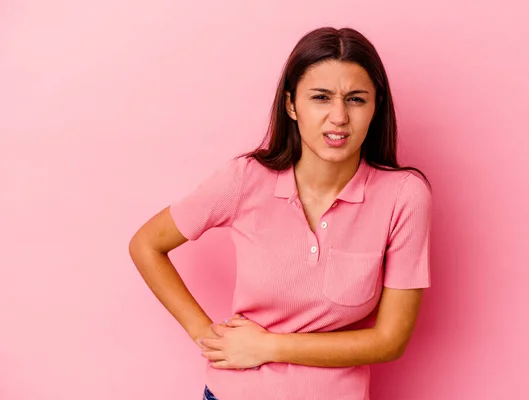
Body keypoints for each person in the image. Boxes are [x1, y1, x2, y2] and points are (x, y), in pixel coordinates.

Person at [129, 26, 433, 400]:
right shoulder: (245, 180)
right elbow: (146, 244)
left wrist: (269, 346)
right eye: (320, 97)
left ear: (376, 106)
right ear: (291, 105)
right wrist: (205, 334)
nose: (338, 116)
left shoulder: (404, 196)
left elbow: (390, 341)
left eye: (355, 99)